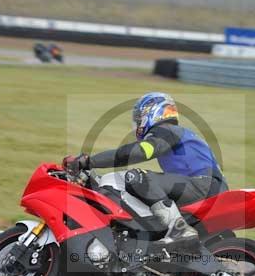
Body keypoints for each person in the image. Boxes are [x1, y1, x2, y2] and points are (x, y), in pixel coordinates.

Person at [63, 92, 228, 247]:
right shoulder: (177, 134)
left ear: (154, 112)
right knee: (144, 194)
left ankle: (179, 229)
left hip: (204, 186)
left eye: (139, 117)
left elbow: (138, 152)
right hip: (206, 187)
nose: (137, 122)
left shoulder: (167, 130)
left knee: (137, 177)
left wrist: (90, 161)